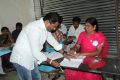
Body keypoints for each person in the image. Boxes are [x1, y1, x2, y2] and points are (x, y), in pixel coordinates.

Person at [10, 12, 70, 80]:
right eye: (54, 26)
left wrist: (64, 53)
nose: (54, 29)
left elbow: (52, 41)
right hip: (22, 58)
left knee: (37, 77)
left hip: (32, 56)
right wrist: (51, 61)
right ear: (47, 22)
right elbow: (35, 52)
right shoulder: (34, 28)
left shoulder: (45, 27)